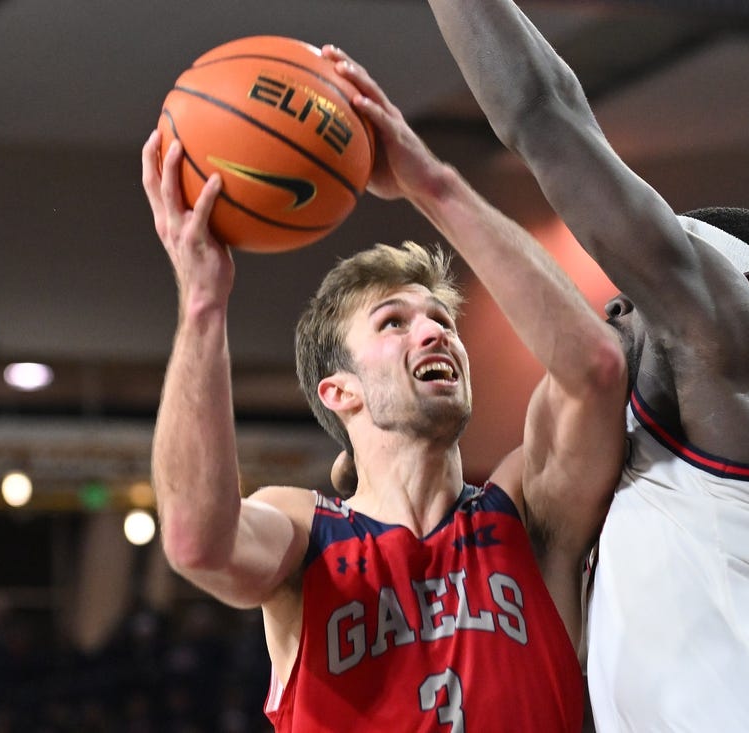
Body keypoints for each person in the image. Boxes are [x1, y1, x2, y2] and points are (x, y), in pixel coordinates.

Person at [424, 2, 749, 730]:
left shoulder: (732, 358)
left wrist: (427, 180)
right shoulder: (644, 473)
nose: (614, 307)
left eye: (638, 291)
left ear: (742, 297)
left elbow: (544, 114)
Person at [141, 45, 626, 732]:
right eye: (394, 322)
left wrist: (433, 184)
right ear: (340, 390)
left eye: (440, 319)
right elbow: (196, 542)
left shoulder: (526, 508)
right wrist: (202, 306)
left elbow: (596, 370)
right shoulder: (306, 533)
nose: (433, 333)